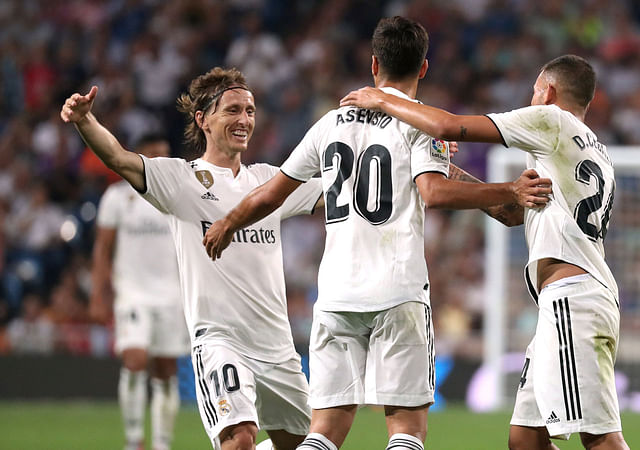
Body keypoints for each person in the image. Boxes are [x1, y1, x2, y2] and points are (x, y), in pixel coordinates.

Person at [202, 16, 551, 450]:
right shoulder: (424, 122)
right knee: (406, 430)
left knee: (324, 433)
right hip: (397, 291)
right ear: (423, 68)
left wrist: (227, 223)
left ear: (373, 64)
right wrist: (509, 190)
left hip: (336, 296)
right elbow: (433, 192)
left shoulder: (331, 123)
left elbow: (271, 194)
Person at [340, 54, 630, 450]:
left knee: (600, 438)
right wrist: (445, 169)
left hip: (573, 300)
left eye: (533, 90)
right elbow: (512, 213)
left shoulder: (551, 120)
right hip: (573, 299)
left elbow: (447, 125)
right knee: (525, 439)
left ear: (548, 91)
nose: (530, 98)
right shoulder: (593, 151)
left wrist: (382, 100)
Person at [62, 67, 322, 450]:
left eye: (249, 111)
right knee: (240, 439)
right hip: (220, 340)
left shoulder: (269, 182)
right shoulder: (181, 180)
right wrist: (85, 121)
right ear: (203, 119)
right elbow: (120, 159)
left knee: (303, 443)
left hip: (277, 345)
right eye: (232, 110)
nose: (244, 120)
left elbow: (338, 192)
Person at [90, 133, 189, 450]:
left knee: (165, 370)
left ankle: (162, 444)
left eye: (165, 155)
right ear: (140, 156)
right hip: (132, 293)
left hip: (172, 295)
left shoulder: (178, 198)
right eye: (154, 155)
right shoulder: (118, 197)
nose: (161, 162)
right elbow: (103, 249)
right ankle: (133, 440)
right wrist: (98, 294)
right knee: (134, 360)